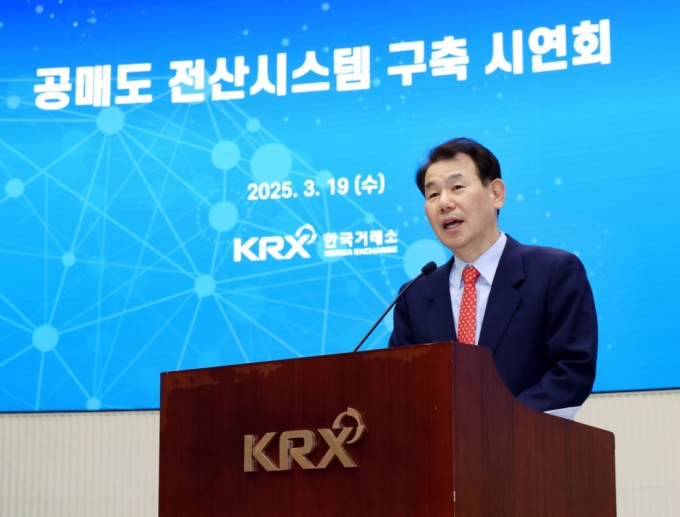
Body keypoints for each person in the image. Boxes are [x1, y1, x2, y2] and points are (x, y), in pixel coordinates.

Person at [388, 138, 597, 414]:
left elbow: (571, 371)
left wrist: (495, 425)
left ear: (496, 193)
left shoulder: (554, 272)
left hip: (526, 439)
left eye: (457, 187)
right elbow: (399, 385)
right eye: (433, 195)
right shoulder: (413, 295)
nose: (444, 203)